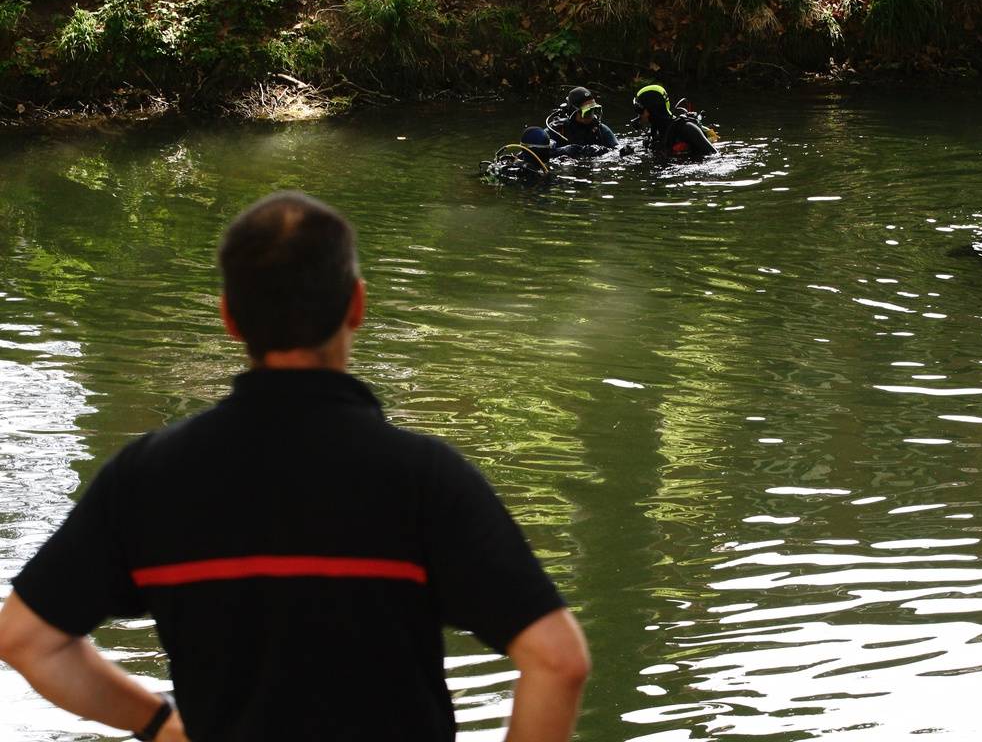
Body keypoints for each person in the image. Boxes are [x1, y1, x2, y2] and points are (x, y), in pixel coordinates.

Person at [0, 192, 590, 742]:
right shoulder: (424, 478)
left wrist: (159, 724)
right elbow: (558, 661)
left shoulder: (146, 478)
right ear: (356, 305)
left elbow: (27, 641)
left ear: (230, 317)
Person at [631, 84, 718, 158]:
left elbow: (714, 156)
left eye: (639, 110)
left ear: (653, 110)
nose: (639, 115)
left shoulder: (688, 129)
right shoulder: (655, 134)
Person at [545, 86, 620, 155]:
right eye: (587, 112)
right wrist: (563, 151)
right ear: (573, 111)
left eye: (594, 109)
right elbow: (539, 151)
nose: (592, 115)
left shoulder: (600, 130)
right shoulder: (557, 129)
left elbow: (617, 150)